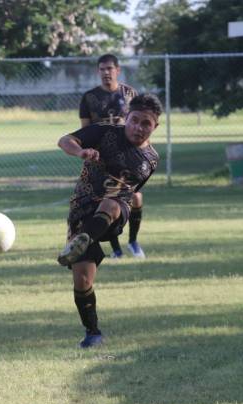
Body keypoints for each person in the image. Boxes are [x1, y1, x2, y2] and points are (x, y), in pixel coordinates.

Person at [58, 93, 162, 348]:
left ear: (155, 126)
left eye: (146, 124)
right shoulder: (105, 131)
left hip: (115, 211)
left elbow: (133, 190)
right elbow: (64, 140)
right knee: (83, 279)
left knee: (112, 203)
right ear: (127, 117)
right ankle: (92, 333)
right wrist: (82, 151)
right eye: (134, 120)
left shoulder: (151, 160)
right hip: (82, 209)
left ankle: (84, 239)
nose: (138, 127)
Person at [79, 53, 147, 259]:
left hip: (129, 157)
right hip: (102, 160)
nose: (106, 73)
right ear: (97, 71)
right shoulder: (89, 97)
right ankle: (117, 250)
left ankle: (133, 242)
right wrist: (91, 153)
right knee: (107, 202)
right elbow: (85, 131)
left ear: (118, 70)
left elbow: (142, 124)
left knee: (136, 197)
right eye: (102, 69)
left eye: (109, 69)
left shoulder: (130, 94)